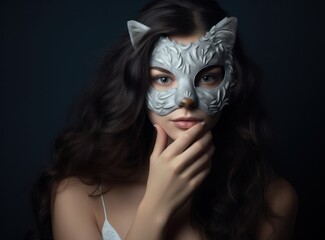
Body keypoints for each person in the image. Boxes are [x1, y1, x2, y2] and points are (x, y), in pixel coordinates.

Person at [27, 0, 298, 239]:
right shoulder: (77, 196)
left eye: (207, 77)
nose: (187, 99)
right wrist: (156, 208)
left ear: (232, 80)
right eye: (164, 78)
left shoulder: (272, 202)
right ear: (137, 83)